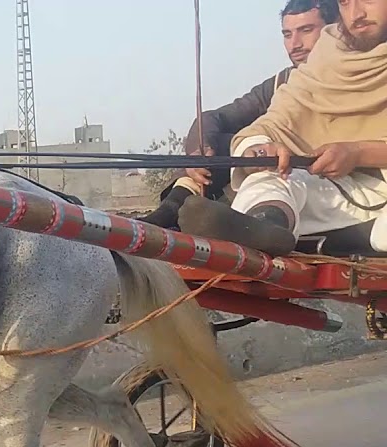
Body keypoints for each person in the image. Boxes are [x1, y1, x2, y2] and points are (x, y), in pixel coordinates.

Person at [178, 0, 387, 256]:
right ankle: (265, 229)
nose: (356, 15)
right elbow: (277, 120)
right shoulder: (328, 54)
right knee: (270, 177)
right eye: (345, 2)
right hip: (346, 192)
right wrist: (258, 151)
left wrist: (357, 153)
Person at [144, 0, 337, 228]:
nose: (295, 44)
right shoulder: (280, 84)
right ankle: (171, 211)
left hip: (337, 184)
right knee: (225, 146)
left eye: (306, 30)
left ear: (335, 28)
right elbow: (213, 118)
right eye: (287, 34)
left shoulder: (363, 73)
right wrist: (200, 152)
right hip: (281, 181)